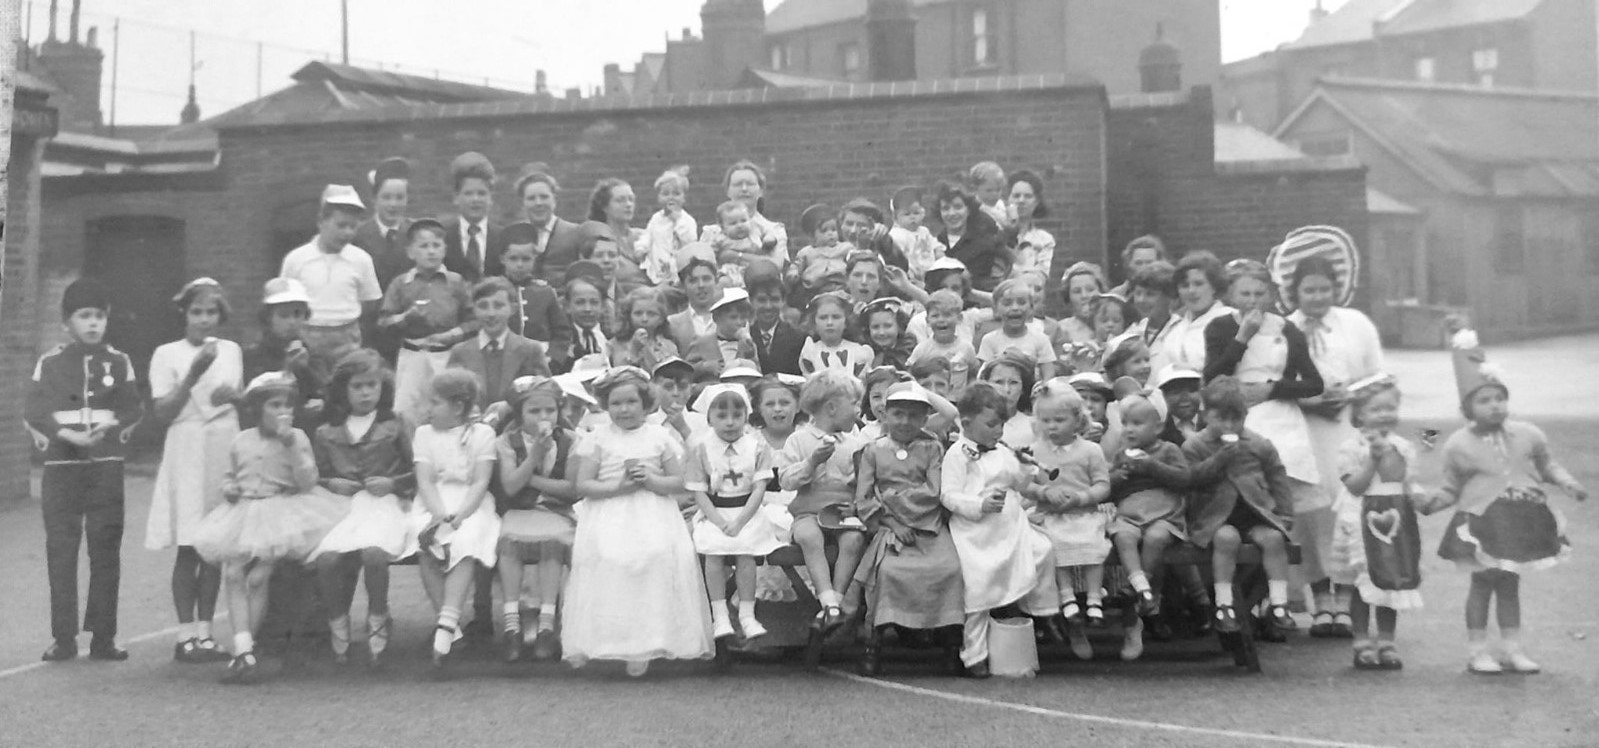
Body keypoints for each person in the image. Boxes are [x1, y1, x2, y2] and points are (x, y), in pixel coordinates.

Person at [1429, 325, 1586, 674]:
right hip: (1482, 522)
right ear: (1467, 408)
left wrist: (1568, 483)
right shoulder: (1458, 444)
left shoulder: (1528, 434)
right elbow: (1450, 487)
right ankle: (1477, 650)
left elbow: (1547, 465)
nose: (1495, 406)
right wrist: (1428, 504)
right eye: (1484, 401)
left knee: (1511, 583)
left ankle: (1513, 649)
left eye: (1499, 398)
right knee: (1483, 583)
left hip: (1519, 520)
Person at [191, 372, 347, 684]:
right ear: (258, 408)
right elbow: (230, 474)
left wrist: (290, 442)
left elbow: (307, 481)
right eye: (274, 405)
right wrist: (230, 487)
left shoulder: (297, 438)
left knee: (258, 577)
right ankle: (243, 650)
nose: (281, 412)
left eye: (287, 406)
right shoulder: (242, 439)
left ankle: (250, 647)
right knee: (233, 573)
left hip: (281, 512)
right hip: (244, 511)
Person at [564, 367, 715, 677]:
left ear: (645, 403)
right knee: (612, 561)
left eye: (631, 402)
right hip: (608, 512)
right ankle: (606, 640)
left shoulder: (658, 437)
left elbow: (680, 482)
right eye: (616, 403)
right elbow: (583, 485)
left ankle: (648, 641)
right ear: (606, 406)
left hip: (652, 512)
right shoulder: (598, 438)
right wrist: (618, 487)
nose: (624, 410)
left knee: (656, 558)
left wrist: (651, 480)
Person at [27, 278, 144, 663]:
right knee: (61, 552)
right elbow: (35, 411)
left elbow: (132, 408)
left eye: (99, 316)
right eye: (84, 316)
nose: (93, 323)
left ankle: (103, 637)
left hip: (105, 468)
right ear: (67, 323)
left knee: (105, 551)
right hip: (62, 467)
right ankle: (63, 638)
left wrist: (109, 429)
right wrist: (67, 437)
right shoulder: (51, 363)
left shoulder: (119, 362)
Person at [1204, 259, 1324, 626]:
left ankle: (1274, 604)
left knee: (1275, 511)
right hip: (1238, 418)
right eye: (1244, 293)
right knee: (1240, 504)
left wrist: (1272, 389)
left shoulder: (1287, 330)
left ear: (1271, 295)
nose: (1252, 300)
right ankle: (1245, 605)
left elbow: (1314, 383)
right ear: (1230, 295)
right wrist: (1243, 337)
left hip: (1282, 419)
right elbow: (1212, 376)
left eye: (1259, 293)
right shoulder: (1221, 327)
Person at [1284, 249, 1385, 639]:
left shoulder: (1355, 324)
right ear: (1295, 292)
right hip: (1303, 433)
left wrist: (1350, 396)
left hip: (1346, 430)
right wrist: (1309, 401)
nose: (1318, 297)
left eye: (1325, 289)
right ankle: (1320, 600)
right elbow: (1275, 383)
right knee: (1311, 517)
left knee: (1347, 516)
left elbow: (1379, 376)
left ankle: (1345, 601)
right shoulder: (1284, 328)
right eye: (1309, 290)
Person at [146, 278, 241, 664]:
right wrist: (192, 376)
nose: (205, 320)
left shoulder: (231, 350)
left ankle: (206, 633)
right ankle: (185, 635)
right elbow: (163, 412)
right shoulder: (166, 353)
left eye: (212, 312)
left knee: (215, 545)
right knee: (190, 544)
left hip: (222, 442)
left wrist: (235, 396)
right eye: (197, 312)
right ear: (184, 314)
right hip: (186, 446)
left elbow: (240, 398)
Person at [943, 382, 1060, 677]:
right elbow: (949, 496)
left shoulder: (1003, 451)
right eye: (992, 424)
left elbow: (1019, 484)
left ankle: (1042, 612)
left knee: (1043, 550)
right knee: (978, 590)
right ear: (967, 423)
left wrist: (1030, 469)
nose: (999, 432)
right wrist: (979, 504)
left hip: (1010, 524)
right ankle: (974, 655)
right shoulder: (956, 454)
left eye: (1002, 425)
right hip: (976, 532)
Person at [306, 349, 415, 667]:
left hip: (385, 504)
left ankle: (378, 614)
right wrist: (331, 484)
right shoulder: (327, 432)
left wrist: (393, 484)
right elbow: (316, 475)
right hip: (343, 507)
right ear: (343, 390)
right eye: (358, 386)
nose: (366, 392)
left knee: (373, 554)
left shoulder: (395, 424)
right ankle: (337, 620)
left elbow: (419, 469)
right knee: (326, 560)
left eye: (372, 385)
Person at [853, 383, 966, 677]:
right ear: (885, 414)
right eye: (898, 414)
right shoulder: (872, 450)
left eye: (914, 415)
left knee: (950, 569)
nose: (904, 422)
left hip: (929, 525)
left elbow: (933, 490)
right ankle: (874, 646)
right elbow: (864, 498)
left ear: (925, 418)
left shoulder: (931, 448)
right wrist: (891, 522)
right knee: (889, 572)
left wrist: (891, 499)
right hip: (890, 528)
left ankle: (951, 646)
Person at [1182, 376, 1297, 639]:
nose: (1230, 425)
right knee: (1227, 539)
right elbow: (1189, 479)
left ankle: (1279, 604)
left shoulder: (1259, 444)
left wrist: (1285, 512)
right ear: (1206, 413)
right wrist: (1219, 460)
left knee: (1274, 539)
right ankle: (1224, 605)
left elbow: (1277, 476)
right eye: (1222, 418)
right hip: (1214, 518)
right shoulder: (1195, 446)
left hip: (1255, 512)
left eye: (1237, 419)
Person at [1328, 377, 1426, 670]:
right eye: (1376, 409)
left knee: (1389, 580)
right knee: (1364, 579)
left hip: (1395, 518)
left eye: (1390, 408)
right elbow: (1355, 487)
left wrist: (1422, 499)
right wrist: (1372, 459)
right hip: (1360, 516)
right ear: (1359, 415)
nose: (1384, 414)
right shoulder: (1349, 447)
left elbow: (1402, 480)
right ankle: (1361, 641)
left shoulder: (1404, 446)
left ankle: (1386, 641)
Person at [410, 368, 501, 673]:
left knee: (465, 542)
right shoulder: (424, 434)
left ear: (458, 407)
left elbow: (480, 482)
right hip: (433, 502)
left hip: (471, 505)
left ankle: (446, 623)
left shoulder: (483, 434)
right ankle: (450, 631)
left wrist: (461, 515)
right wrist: (438, 515)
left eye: (435, 402)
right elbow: (424, 481)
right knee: (424, 540)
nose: (428, 409)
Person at [686, 385, 786, 641]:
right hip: (715, 513)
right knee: (714, 555)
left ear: (746, 416)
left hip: (747, 514)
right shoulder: (701, 449)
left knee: (745, 554)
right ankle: (719, 615)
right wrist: (719, 521)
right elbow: (699, 492)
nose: (730, 423)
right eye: (721, 416)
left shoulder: (757, 447)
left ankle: (747, 615)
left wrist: (740, 521)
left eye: (737, 416)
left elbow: (759, 487)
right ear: (709, 419)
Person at [492, 376, 579, 662]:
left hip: (556, 511)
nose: (543, 417)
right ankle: (512, 624)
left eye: (550, 411)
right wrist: (534, 457)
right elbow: (511, 486)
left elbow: (570, 488)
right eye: (534, 411)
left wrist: (533, 478)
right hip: (520, 511)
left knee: (552, 544)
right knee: (509, 543)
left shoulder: (570, 440)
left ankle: (546, 624)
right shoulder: (507, 442)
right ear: (519, 415)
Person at [778, 370, 870, 633]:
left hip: (842, 512)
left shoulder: (855, 443)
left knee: (853, 539)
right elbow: (786, 481)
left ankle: (836, 602)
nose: (858, 411)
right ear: (831, 407)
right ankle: (827, 599)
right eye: (853, 404)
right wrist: (811, 462)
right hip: (808, 511)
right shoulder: (799, 439)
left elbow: (864, 482)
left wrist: (856, 494)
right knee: (808, 536)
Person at [1025, 379, 1112, 658]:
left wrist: (1081, 498)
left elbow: (1102, 485)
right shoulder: (1036, 451)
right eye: (1046, 420)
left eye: (1059, 420)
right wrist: (1045, 492)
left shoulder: (1090, 450)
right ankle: (1067, 596)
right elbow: (1025, 485)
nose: (1052, 426)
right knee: (1054, 545)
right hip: (1052, 515)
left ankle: (1095, 597)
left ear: (1077, 419)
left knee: (1093, 543)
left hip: (1083, 512)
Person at [1106, 393, 1191, 660]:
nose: (1129, 429)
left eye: (1138, 423)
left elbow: (1183, 479)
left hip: (1162, 514)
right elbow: (1107, 488)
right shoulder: (1121, 454)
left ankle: (1139, 588)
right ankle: (1139, 584)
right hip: (1131, 515)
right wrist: (1120, 475)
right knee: (1123, 535)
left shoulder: (1168, 450)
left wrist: (1152, 466)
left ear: (1157, 427)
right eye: (1126, 423)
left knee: (1156, 537)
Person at [380, 218, 477, 426]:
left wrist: (451, 335)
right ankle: (412, 455)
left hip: (447, 355)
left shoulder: (456, 282)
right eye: (423, 246)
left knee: (448, 406)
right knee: (406, 412)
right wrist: (405, 317)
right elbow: (384, 321)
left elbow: (474, 321)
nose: (431, 251)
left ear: (444, 250)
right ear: (411, 252)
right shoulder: (401, 283)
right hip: (412, 354)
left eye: (436, 245)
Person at [280, 184, 382, 377]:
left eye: (353, 226)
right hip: (308, 339)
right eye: (341, 225)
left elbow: (370, 303)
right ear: (321, 221)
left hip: (348, 340)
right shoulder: (296, 259)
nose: (347, 233)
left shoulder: (361, 260)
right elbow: (285, 305)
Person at [448, 277, 552, 418]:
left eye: (498, 306)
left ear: (513, 309)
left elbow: (544, 394)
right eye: (483, 306)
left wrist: (511, 404)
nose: (491, 314)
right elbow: (449, 396)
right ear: (474, 309)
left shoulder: (530, 350)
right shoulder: (460, 352)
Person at [241, 278, 321, 431]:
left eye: (298, 315)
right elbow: (250, 402)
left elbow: (322, 395)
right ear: (268, 317)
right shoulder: (252, 356)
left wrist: (305, 371)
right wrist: (287, 369)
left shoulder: (313, 355)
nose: (292, 322)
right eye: (284, 315)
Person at [701, 159, 788, 266]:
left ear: (760, 190)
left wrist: (735, 256)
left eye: (750, 184)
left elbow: (776, 265)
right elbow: (703, 266)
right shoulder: (711, 232)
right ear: (728, 191)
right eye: (737, 184)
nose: (744, 188)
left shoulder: (773, 229)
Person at [353, 157, 415, 301]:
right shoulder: (358, 235)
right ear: (374, 199)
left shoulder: (417, 233)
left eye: (399, 198)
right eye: (386, 197)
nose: (393, 204)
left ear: (407, 199)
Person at [1162, 250, 1233, 373]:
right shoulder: (1174, 328)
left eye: (1198, 284)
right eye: (1184, 285)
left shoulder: (1230, 319)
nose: (1191, 291)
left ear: (1214, 286)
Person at [935, 181, 1010, 293]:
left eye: (958, 207)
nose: (952, 213)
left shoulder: (985, 242)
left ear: (968, 210)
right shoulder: (935, 243)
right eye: (946, 208)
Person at [515, 169, 586, 288]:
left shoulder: (575, 233)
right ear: (523, 203)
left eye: (544, 197)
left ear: (554, 199)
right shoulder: (515, 235)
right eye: (531, 198)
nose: (538, 203)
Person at [977, 279, 1058, 380]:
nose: (1015, 308)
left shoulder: (1041, 339)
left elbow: (1048, 374)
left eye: (1021, 302)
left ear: (1031, 308)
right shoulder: (989, 340)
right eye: (1007, 303)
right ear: (996, 309)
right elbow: (983, 376)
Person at [442, 152, 505, 281]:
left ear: (490, 197)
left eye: (481, 193)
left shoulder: (503, 237)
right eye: (468, 193)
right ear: (456, 197)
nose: (475, 199)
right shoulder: (442, 236)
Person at [908, 290, 980, 395]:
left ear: (959, 318)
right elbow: (910, 374)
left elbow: (973, 373)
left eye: (947, 315)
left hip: (958, 404)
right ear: (927, 320)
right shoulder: (922, 349)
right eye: (935, 316)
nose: (941, 320)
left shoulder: (966, 348)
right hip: (932, 400)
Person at [639, 167, 697, 286]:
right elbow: (648, 235)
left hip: (678, 266)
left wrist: (678, 221)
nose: (671, 197)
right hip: (658, 262)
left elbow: (690, 240)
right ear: (659, 198)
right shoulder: (656, 218)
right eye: (665, 194)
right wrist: (641, 248)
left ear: (683, 198)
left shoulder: (686, 220)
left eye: (676, 193)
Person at [685, 288, 758, 381]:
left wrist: (746, 354)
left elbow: (756, 374)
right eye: (733, 317)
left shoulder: (749, 344)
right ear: (716, 318)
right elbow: (686, 372)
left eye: (743, 317)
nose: (740, 322)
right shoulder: (702, 342)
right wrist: (704, 367)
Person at [747, 260, 805, 376]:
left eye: (774, 300)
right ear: (751, 301)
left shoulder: (798, 338)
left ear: (783, 301)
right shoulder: (746, 336)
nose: (768, 306)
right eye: (761, 300)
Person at [1122, 261, 1180, 373]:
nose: (1141, 300)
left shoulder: (1180, 331)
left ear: (1169, 297)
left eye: (1150, 294)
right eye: (1138, 293)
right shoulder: (1133, 331)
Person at [799, 292, 872, 378]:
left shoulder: (858, 352)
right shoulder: (811, 352)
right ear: (814, 322)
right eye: (823, 318)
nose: (829, 323)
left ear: (846, 322)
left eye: (836, 317)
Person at [608, 286, 680, 372]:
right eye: (638, 313)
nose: (644, 319)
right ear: (628, 315)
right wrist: (634, 351)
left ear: (661, 319)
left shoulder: (669, 346)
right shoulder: (615, 344)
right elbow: (618, 373)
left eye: (651, 314)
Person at [667, 248, 724, 354]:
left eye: (706, 279)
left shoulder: (733, 317)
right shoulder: (673, 324)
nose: (701, 285)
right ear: (683, 286)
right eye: (693, 281)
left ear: (716, 281)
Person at [789, 203, 850, 300]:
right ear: (812, 235)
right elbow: (797, 265)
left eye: (833, 229)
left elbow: (855, 258)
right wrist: (793, 273)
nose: (830, 234)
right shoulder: (807, 252)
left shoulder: (845, 248)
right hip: (815, 290)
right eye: (824, 230)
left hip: (841, 287)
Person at [1004, 169, 1055, 281]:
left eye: (1028, 196)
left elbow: (1042, 275)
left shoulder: (1045, 239)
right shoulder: (995, 233)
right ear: (1008, 199)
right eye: (1016, 196)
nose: (1021, 200)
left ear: (1037, 202)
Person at [887, 186, 945, 284]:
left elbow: (934, 244)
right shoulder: (897, 235)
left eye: (916, 213)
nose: (912, 217)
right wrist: (909, 270)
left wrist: (938, 252)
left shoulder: (924, 231)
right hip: (911, 274)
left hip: (930, 270)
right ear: (895, 217)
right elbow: (898, 258)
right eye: (907, 214)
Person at [978, 352, 1037, 447]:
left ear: (1023, 388)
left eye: (1014, 383)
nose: (1007, 390)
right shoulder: (975, 424)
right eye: (999, 382)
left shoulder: (1033, 426)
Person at [860, 297, 916, 371]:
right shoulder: (865, 352)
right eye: (875, 327)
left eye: (888, 326)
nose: (881, 332)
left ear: (899, 326)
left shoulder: (909, 350)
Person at [968, 161, 1010, 230]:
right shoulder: (973, 211)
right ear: (975, 189)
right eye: (989, 190)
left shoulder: (1003, 206)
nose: (994, 194)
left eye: (998, 190)